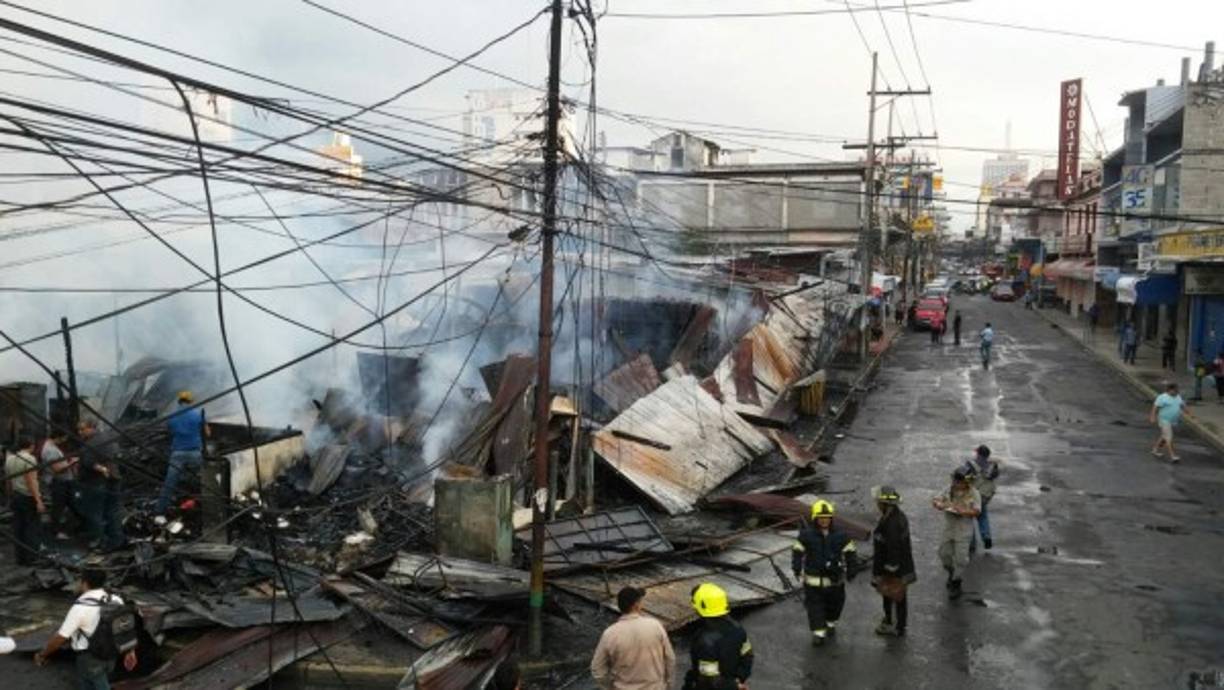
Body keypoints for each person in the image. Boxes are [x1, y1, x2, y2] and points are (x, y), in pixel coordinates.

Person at [34, 567, 136, 690]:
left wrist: (42, 654)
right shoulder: (116, 600)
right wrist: (130, 651)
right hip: (112, 654)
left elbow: (61, 637)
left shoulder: (80, 608)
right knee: (100, 680)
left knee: (96, 684)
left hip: (90, 659)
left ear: (84, 583)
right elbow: (125, 628)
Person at [792, 499, 859, 646]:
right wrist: (796, 568)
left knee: (836, 605)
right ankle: (818, 633)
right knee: (815, 608)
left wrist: (852, 569)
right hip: (813, 582)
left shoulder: (841, 536)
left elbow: (850, 552)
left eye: (827, 518)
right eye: (821, 518)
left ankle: (830, 622)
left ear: (831, 519)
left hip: (835, 581)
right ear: (815, 519)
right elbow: (797, 551)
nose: (824, 521)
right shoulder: (806, 535)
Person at [591, 586, 674, 690]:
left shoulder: (609, 634)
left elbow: (597, 670)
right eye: (640, 601)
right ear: (636, 605)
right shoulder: (655, 626)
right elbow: (670, 659)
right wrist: (668, 684)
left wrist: (609, 687)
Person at [682, 583, 753, 690]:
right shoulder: (737, 628)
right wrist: (738, 679)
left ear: (702, 607)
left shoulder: (705, 641)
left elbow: (709, 679)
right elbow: (748, 656)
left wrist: (733, 686)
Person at [870, 486, 915, 637]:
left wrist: (888, 571)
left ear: (885, 504)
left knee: (893, 596)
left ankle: (895, 625)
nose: (877, 504)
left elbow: (893, 548)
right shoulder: (894, 517)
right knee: (895, 597)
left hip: (894, 570)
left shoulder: (892, 523)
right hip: (897, 567)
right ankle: (894, 622)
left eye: (878, 502)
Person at [74, 421, 125, 553]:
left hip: (96, 483)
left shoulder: (89, 444)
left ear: (92, 427)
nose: (80, 433)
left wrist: (101, 468)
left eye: (82, 429)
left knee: (94, 513)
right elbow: (117, 454)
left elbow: (88, 462)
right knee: (112, 511)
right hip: (114, 479)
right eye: (78, 430)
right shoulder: (109, 437)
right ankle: (116, 540)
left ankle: (100, 541)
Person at [157, 391, 209, 517]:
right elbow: (207, 433)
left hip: (177, 453)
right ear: (191, 402)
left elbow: (170, 432)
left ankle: (159, 511)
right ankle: (205, 508)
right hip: (195, 453)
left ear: (179, 401)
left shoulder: (172, 416)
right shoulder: (197, 415)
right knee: (203, 481)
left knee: (169, 483)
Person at [932, 467, 981, 600]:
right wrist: (938, 504)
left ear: (967, 482)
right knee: (944, 554)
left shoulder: (974, 493)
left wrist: (963, 511)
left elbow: (977, 511)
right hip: (949, 529)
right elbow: (936, 499)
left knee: (961, 560)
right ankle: (951, 572)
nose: (955, 483)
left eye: (958, 481)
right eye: (954, 480)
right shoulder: (949, 489)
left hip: (963, 531)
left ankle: (956, 583)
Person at [5, 435, 45, 565]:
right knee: (32, 527)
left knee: (18, 527)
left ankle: (20, 557)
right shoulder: (29, 459)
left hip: (16, 496)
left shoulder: (10, 459)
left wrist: (9, 496)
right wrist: (38, 500)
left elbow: (9, 480)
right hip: (28, 497)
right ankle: (31, 558)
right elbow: (31, 481)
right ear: (31, 445)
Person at [963, 445, 1000, 552]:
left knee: (968, 519)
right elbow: (994, 477)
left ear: (978, 453)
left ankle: (972, 544)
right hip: (985, 496)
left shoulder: (971, 465)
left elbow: (966, 479)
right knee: (983, 517)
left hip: (972, 496)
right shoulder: (992, 466)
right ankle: (986, 536)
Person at [42, 431, 76, 540]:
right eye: (64, 438)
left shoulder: (50, 446)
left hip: (61, 481)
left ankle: (68, 527)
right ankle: (55, 532)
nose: (65, 440)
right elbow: (57, 469)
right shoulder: (50, 450)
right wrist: (72, 462)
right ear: (59, 437)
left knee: (68, 504)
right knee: (58, 507)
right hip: (58, 482)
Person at [1150, 382, 1192, 463]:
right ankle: (1173, 456)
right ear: (1169, 390)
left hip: (1172, 420)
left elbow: (1182, 405)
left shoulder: (1178, 396)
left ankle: (1155, 450)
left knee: (1164, 436)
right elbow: (1155, 407)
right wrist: (1152, 416)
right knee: (1169, 437)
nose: (1177, 392)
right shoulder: (1162, 397)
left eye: (1177, 391)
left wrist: (1190, 414)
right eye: (1175, 391)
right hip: (1164, 420)